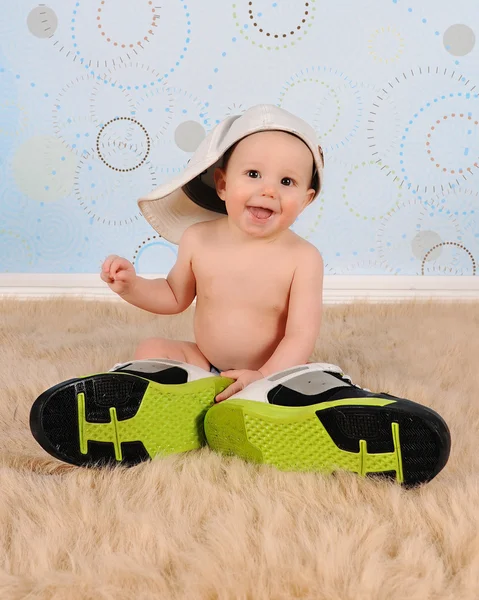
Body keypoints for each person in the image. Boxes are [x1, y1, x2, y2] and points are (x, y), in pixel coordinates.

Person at [29, 105, 451, 486]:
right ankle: (169, 401)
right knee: (154, 348)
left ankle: (281, 411)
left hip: (272, 370)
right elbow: (174, 296)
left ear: (304, 200)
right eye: (253, 175)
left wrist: (261, 373)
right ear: (222, 183)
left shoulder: (303, 258)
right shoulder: (198, 239)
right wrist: (132, 286)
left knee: (311, 375)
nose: (268, 190)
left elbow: (299, 335)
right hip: (207, 361)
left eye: (286, 181)